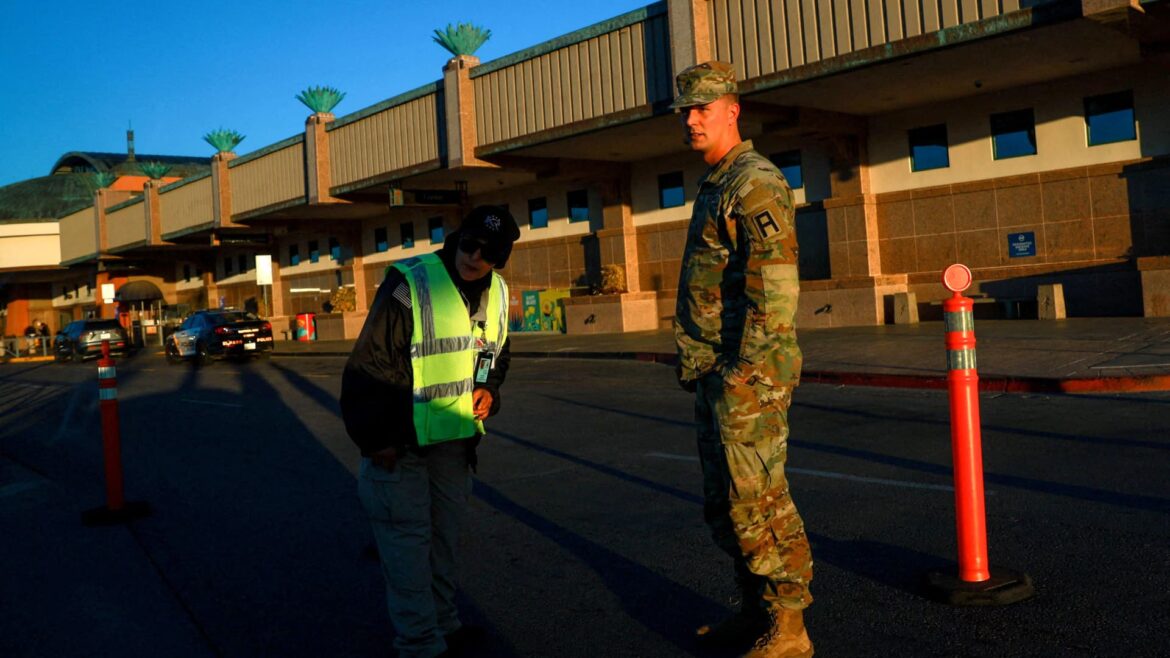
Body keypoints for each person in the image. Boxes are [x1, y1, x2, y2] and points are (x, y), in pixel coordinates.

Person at [671, 61, 814, 658]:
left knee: (759, 500)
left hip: (747, 377)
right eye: (686, 109)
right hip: (717, 374)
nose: (692, 118)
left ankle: (790, 629)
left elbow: (775, 292)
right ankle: (757, 611)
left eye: (704, 106)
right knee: (725, 503)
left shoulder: (754, 182)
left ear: (734, 109)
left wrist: (742, 373)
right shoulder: (717, 183)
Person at [341, 205, 520, 658]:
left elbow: (494, 356)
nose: (474, 256)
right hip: (399, 443)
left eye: (488, 252)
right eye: (469, 244)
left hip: (454, 442)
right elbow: (370, 363)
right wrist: (376, 439)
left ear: (501, 258)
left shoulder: (497, 292)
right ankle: (420, 644)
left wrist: (488, 393)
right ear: (458, 238)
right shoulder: (410, 282)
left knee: (444, 540)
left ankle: (445, 624)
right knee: (407, 544)